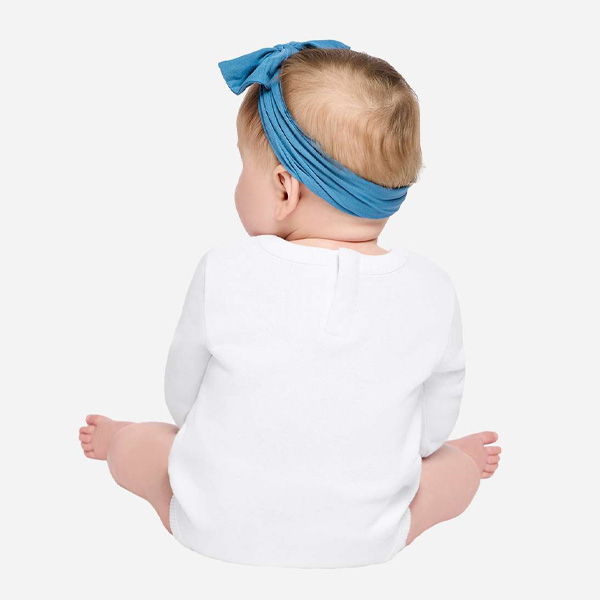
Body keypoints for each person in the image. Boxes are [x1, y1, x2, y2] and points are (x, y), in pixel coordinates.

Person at [79, 40, 501, 568]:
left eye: (243, 168)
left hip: (213, 527)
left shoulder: (224, 269)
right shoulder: (432, 288)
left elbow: (182, 403)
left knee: (148, 444)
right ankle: (467, 465)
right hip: (367, 538)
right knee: (450, 470)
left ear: (284, 189)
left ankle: (115, 439)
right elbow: (430, 432)